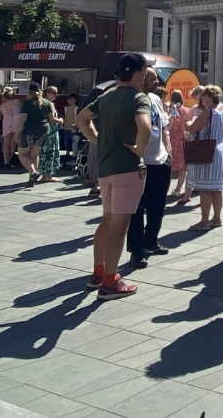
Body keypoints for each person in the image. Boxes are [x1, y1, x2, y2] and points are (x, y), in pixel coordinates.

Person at [76, 53, 153, 300]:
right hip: (127, 168)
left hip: (105, 168)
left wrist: (96, 139)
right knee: (120, 226)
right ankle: (110, 281)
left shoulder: (106, 95)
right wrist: (139, 150)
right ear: (139, 73)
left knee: (107, 221)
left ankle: (98, 273)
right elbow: (145, 126)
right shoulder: (137, 97)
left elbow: (80, 118)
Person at [127, 68, 173, 269]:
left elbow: (163, 128)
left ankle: (151, 240)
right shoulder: (132, 100)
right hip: (140, 162)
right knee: (137, 209)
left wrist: (169, 155)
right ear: (141, 79)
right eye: (153, 79)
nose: (157, 82)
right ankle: (137, 251)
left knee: (158, 206)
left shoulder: (154, 99)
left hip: (160, 160)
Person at [185, 85, 223, 231]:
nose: (201, 98)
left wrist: (187, 123)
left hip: (207, 150)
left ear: (210, 97)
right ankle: (217, 218)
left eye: (204, 95)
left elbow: (192, 129)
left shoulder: (207, 112)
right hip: (220, 148)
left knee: (205, 187)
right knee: (217, 187)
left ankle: (204, 221)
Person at [15, 83, 54, 187]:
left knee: (22, 154)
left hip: (29, 130)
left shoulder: (26, 103)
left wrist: (17, 133)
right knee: (34, 156)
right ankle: (31, 180)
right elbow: (51, 119)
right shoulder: (47, 103)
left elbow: (21, 120)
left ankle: (33, 173)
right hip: (44, 130)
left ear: (28, 92)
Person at [167, 89, 192, 205]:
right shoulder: (184, 110)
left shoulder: (169, 109)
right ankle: (178, 189)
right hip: (181, 141)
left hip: (171, 140)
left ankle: (166, 188)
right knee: (182, 167)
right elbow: (189, 122)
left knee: (169, 165)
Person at [37, 86, 64, 183]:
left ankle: (44, 174)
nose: (56, 95)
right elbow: (52, 119)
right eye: (54, 93)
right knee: (50, 152)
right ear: (47, 93)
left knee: (43, 153)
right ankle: (48, 175)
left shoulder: (40, 102)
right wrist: (60, 120)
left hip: (42, 131)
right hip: (51, 131)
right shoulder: (49, 104)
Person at [0, 87, 22, 169]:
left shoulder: (2, 106)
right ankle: (9, 161)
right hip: (16, 123)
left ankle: (5, 161)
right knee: (13, 144)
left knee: (5, 144)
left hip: (6, 123)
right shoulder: (17, 102)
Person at [62, 93, 80, 165]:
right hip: (66, 127)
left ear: (75, 100)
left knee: (74, 142)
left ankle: (74, 155)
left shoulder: (77, 108)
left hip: (73, 128)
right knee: (67, 141)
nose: (68, 100)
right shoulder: (66, 108)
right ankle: (67, 153)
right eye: (68, 99)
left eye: (70, 99)